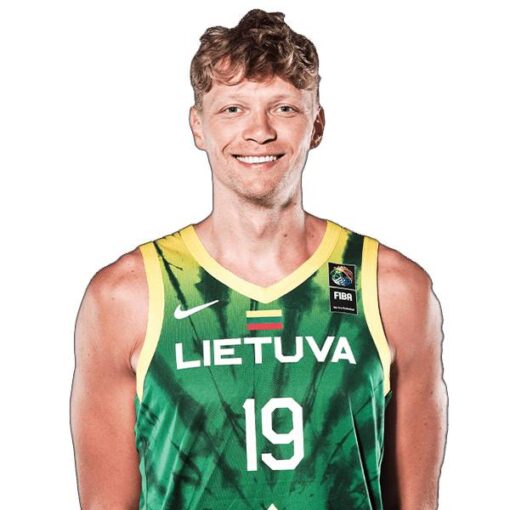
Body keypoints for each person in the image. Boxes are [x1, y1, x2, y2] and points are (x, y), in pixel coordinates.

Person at [70, 8, 448, 510]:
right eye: (233, 109)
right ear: (198, 126)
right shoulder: (126, 296)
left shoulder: (390, 288)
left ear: (317, 124)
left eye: (284, 108)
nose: (260, 131)